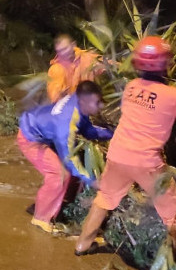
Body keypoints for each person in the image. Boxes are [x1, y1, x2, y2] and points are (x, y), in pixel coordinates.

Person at [74, 36, 176, 266]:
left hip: (117, 154)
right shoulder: (172, 95)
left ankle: (82, 244)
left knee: (104, 198)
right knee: (173, 213)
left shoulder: (131, 87)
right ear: (166, 64)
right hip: (146, 162)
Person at [17, 80, 113, 233]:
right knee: (59, 174)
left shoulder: (78, 102)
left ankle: (60, 204)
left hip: (43, 129)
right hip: (31, 139)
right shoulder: (66, 124)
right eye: (97, 103)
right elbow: (69, 158)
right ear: (84, 101)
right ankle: (41, 218)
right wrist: (91, 180)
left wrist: (112, 133)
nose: (101, 106)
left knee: (69, 174)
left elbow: (87, 130)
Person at [47, 35, 104, 103]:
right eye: (59, 51)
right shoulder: (56, 69)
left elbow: (111, 67)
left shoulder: (87, 57)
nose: (63, 53)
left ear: (73, 45)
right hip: (70, 107)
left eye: (65, 49)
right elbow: (54, 97)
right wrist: (61, 94)